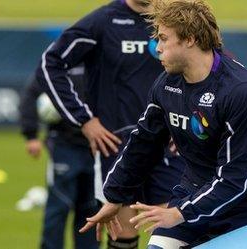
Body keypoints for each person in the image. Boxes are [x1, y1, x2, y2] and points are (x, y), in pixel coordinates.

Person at [79, 0, 247, 248]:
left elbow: (236, 178)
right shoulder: (166, 84)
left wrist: (179, 213)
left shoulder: (244, 92)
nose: (157, 48)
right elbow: (143, 143)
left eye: (164, 39)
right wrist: (115, 197)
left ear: (190, 39)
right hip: (196, 191)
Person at [35, 0, 185, 248]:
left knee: (177, 229)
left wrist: (185, 120)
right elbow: (49, 64)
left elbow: (199, 68)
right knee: (123, 234)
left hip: (168, 144)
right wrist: (84, 120)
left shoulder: (174, 20)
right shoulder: (103, 21)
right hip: (117, 145)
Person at [19, 67, 100, 249]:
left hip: (96, 146)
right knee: (59, 205)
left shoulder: (100, 57)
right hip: (64, 144)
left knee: (91, 208)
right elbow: (30, 96)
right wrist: (31, 135)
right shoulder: (58, 59)